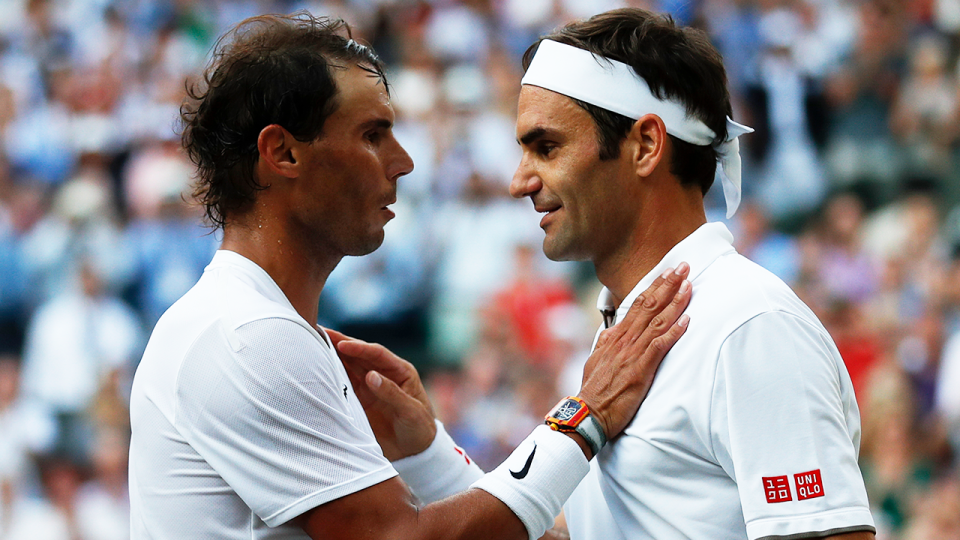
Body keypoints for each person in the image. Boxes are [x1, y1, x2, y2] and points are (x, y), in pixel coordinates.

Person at [126, 13, 694, 540]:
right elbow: (399, 537)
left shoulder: (249, 325)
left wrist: (426, 452)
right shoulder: (247, 334)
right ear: (283, 153)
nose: (404, 161)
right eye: (373, 135)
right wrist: (584, 416)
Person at [355, 8, 878, 540]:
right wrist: (430, 453)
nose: (518, 182)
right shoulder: (627, 333)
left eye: (547, 147)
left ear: (646, 145)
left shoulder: (748, 325)